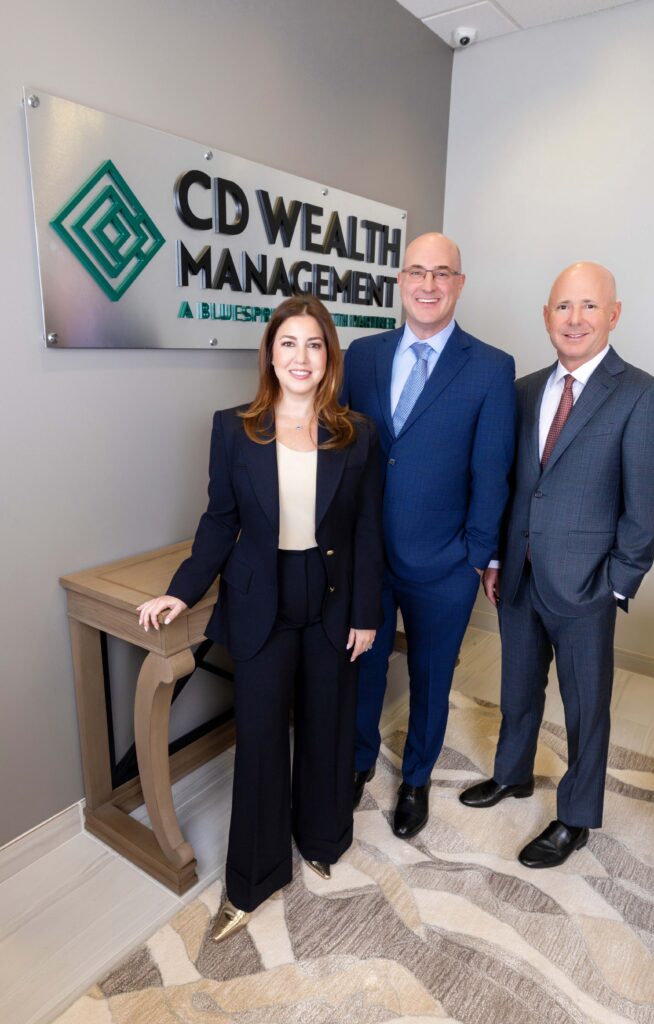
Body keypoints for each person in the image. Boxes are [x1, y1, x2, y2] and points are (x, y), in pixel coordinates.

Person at [138, 295, 383, 940]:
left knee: (328, 729)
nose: (301, 357)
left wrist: (366, 612)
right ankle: (253, 879)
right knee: (263, 739)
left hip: (331, 595)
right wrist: (181, 593)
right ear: (270, 355)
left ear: (328, 356)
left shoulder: (355, 432)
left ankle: (322, 841)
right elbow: (220, 521)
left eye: (314, 345)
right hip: (260, 597)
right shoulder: (232, 426)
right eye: (288, 344)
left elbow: (365, 529)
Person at [460, 262, 654, 868]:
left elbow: (650, 503)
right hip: (520, 576)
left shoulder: (644, 395)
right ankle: (513, 775)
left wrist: (616, 584)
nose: (574, 319)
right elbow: (511, 483)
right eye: (563, 307)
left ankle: (576, 817)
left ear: (614, 314)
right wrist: (499, 557)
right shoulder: (524, 389)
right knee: (518, 689)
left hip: (588, 587)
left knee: (585, 708)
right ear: (546, 316)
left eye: (588, 306)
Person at [342, 232, 516, 838]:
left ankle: (415, 777)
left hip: (444, 563)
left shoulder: (491, 367)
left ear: (459, 284)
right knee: (361, 667)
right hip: (366, 555)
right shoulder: (361, 355)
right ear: (400, 281)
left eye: (442, 273)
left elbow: (491, 469)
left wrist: (476, 555)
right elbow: (343, 452)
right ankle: (360, 760)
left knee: (430, 678)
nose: (428, 284)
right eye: (417, 272)